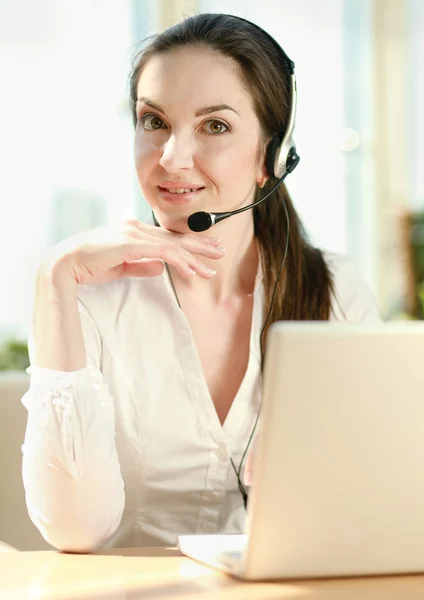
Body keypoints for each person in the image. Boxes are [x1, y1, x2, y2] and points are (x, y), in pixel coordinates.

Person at [21, 13, 381, 553]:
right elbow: (75, 530)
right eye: (154, 121)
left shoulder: (335, 292)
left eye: (214, 126)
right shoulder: (89, 299)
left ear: (272, 157)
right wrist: (55, 281)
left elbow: (377, 502)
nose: (171, 157)